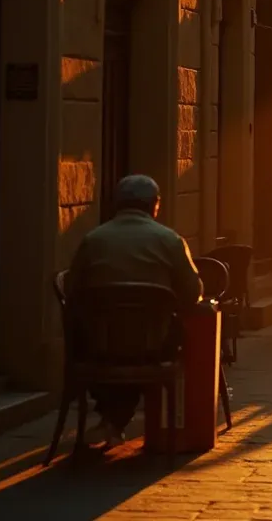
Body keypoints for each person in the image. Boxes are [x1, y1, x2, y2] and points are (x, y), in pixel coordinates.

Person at [65, 175, 202, 449]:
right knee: (161, 337)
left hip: (99, 346)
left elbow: (71, 290)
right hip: (152, 347)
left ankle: (111, 419)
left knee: (106, 340)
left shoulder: (94, 239)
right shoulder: (170, 240)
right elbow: (193, 293)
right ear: (155, 205)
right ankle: (115, 420)